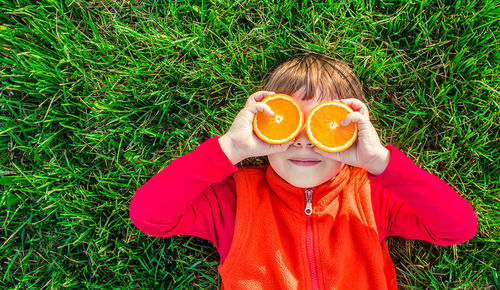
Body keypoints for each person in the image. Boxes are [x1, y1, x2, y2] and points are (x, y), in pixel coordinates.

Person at [129, 54, 477, 289]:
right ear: (264, 128)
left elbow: (457, 227)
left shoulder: (371, 196)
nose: (304, 142)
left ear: (353, 132)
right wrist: (230, 149)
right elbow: (149, 215)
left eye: (323, 126)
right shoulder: (236, 199)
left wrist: (380, 163)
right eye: (288, 124)